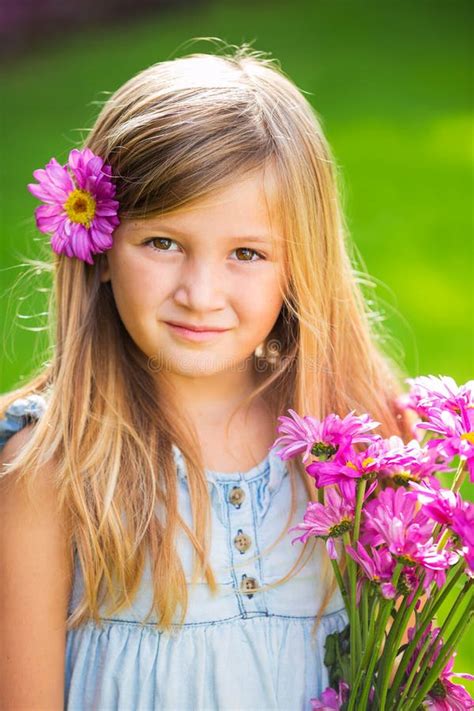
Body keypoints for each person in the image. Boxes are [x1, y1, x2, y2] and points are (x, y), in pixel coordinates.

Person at [0, 41, 411, 710]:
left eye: (246, 252)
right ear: (99, 245)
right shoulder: (52, 472)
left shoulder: (349, 455)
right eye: (163, 242)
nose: (200, 291)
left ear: (298, 265)